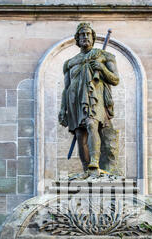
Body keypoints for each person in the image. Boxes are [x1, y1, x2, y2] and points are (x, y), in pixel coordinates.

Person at [59, 22, 120, 174]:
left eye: (88, 34)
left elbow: (115, 79)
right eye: (82, 35)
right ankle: (87, 170)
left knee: (92, 124)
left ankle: (95, 162)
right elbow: (66, 88)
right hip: (74, 100)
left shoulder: (104, 56)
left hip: (95, 97)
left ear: (93, 38)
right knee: (80, 134)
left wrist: (102, 69)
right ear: (77, 39)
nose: (85, 37)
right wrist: (62, 109)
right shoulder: (69, 63)